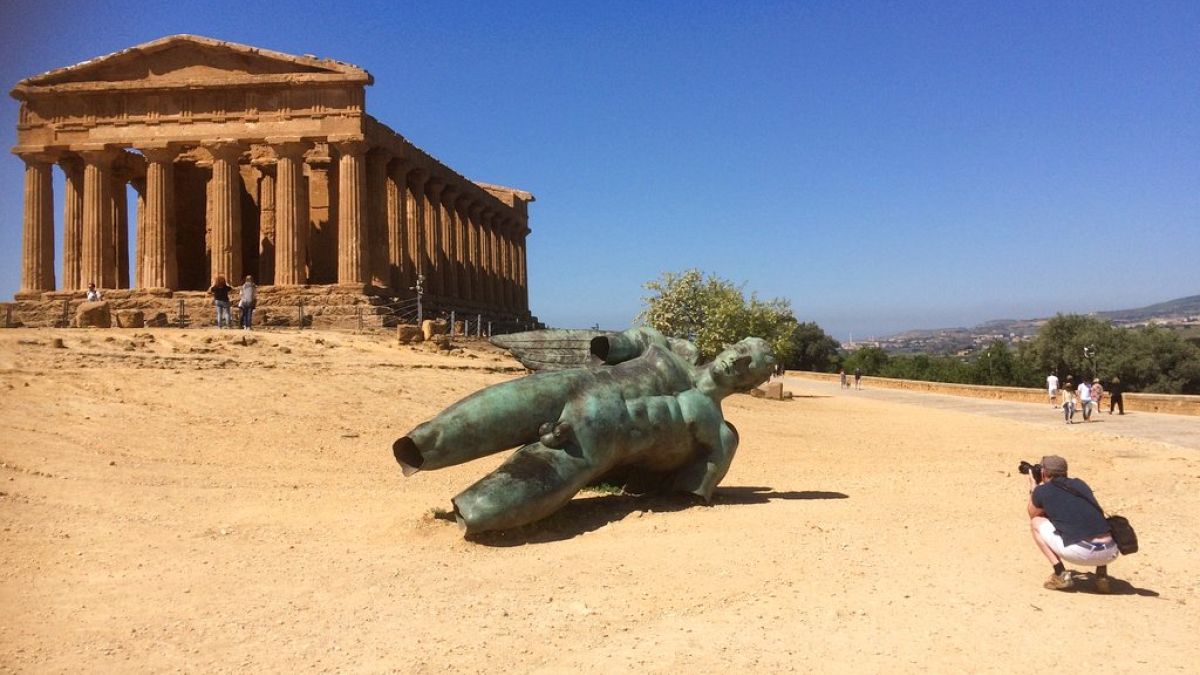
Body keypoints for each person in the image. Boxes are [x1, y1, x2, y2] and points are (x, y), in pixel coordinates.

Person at [393, 327, 777, 534]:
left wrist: (629, 478)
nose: (737, 359)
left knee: (484, 509)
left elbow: (683, 491)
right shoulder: (671, 348)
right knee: (456, 427)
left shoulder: (720, 434)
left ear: (749, 384)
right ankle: (418, 449)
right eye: (741, 347)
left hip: (593, 448)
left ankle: (465, 512)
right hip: (570, 387)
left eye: (749, 366)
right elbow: (615, 344)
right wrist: (615, 344)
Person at [1027, 455, 1119, 593]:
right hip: (1111, 551)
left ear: (1043, 472)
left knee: (1035, 523)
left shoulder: (1042, 491)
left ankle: (1060, 574)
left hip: (1081, 552)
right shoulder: (1080, 484)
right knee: (1090, 521)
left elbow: (1033, 513)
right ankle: (1101, 576)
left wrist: (1033, 488)